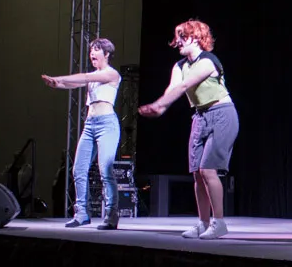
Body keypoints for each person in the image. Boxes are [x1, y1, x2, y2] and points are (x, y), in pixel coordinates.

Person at [139, 19, 238, 239]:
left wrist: (159, 104)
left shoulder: (208, 61)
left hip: (222, 114)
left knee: (208, 170)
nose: (179, 41)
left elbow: (185, 86)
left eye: (184, 36)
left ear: (197, 38)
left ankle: (219, 222)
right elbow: (173, 88)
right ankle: (203, 223)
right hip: (199, 117)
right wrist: (160, 109)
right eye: (178, 37)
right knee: (197, 173)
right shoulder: (180, 66)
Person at [42, 38, 122, 230]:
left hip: (107, 125)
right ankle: (82, 213)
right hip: (90, 125)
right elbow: (75, 84)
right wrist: (56, 84)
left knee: (105, 170)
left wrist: (60, 78)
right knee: (78, 169)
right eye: (91, 51)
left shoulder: (111, 74)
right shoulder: (94, 75)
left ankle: (111, 215)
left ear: (107, 54)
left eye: (96, 50)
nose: (92, 54)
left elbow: (84, 78)